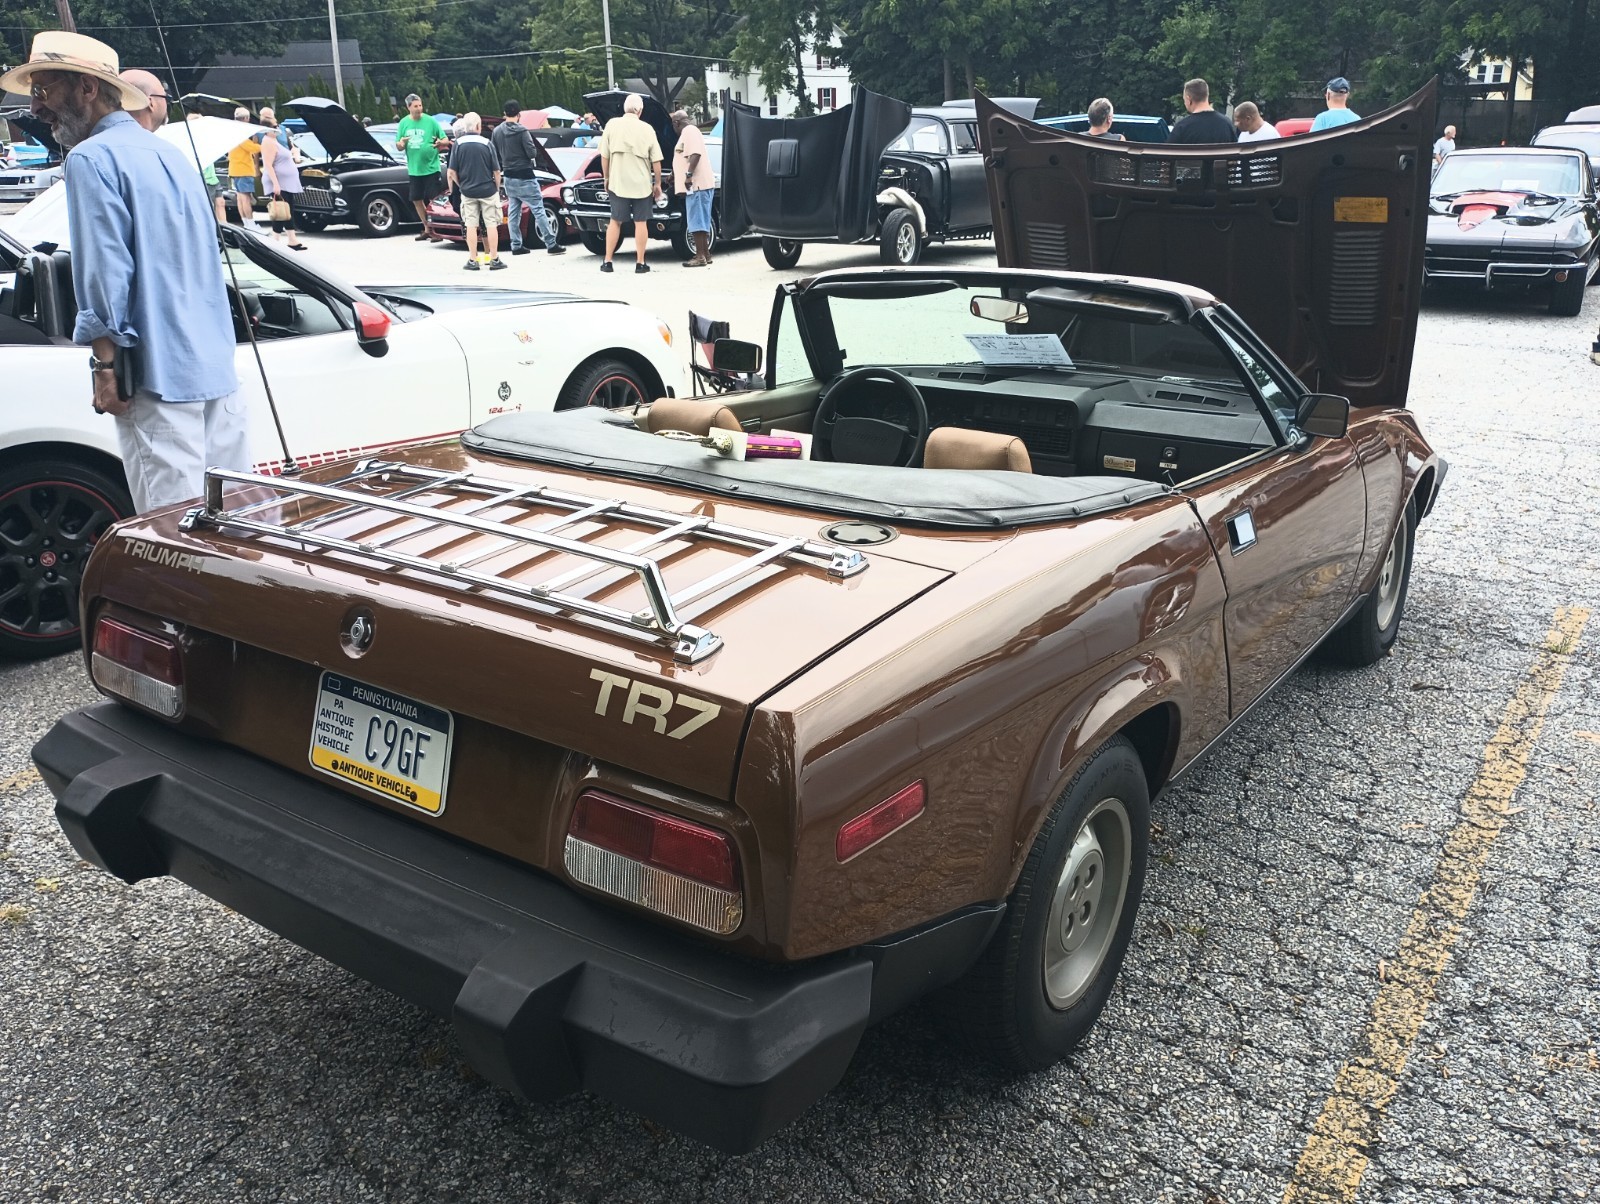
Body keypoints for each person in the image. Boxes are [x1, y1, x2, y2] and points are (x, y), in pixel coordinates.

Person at [7, 30, 245, 513]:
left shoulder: (91, 158)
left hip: (155, 376)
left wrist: (105, 367)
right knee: (228, 529)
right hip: (216, 371)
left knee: (170, 537)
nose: (36, 108)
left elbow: (104, 273)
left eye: (44, 89)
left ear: (87, 89)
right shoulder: (170, 152)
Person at [597, 94, 662, 274]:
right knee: (640, 223)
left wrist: (606, 178)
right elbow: (656, 161)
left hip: (618, 182)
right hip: (641, 184)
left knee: (615, 221)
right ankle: (640, 263)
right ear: (640, 111)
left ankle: (607, 261)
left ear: (624, 109)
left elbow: (604, 156)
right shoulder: (647, 129)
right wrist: (657, 183)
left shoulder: (611, 125)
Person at [493, 99, 564, 256]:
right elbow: (532, 153)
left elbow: (495, 152)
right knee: (538, 209)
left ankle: (516, 245)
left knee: (513, 211)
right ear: (519, 114)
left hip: (509, 176)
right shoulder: (522, 131)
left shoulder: (497, 131)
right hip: (525, 174)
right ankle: (551, 243)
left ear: (504, 114)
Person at [447, 112, 505, 270]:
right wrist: (496, 188)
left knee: (470, 225)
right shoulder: (487, 143)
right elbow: (497, 172)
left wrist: (461, 185)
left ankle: (473, 259)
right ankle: (494, 258)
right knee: (491, 224)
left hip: (468, 191)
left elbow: (451, 172)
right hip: (488, 190)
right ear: (479, 126)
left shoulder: (458, 144)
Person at [396, 93, 447, 240]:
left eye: (420, 105)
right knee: (416, 199)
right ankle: (427, 227)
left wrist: (440, 142)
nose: (419, 109)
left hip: (431, 167)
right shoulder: (403, 123)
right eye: (415, 106)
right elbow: (398, 145)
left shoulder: (430, 121)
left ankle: (437, 230)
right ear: (408, 107)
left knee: (434, 199)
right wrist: (402, 143)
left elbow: (445, 139)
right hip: (414, 169)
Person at [671, 108, 714, 267]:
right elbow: (685, 158)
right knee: (701, 220)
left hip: (696, 184)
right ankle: (706, 254)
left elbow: (695, 154)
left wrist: (688, 175)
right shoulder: (690, 132)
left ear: (676, 123)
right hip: (698, 184)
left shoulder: (689, 131)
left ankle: (700, 256)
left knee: (696, 220)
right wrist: (675, 175)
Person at [259, 127, 308, 249]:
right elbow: (268, 165)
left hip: (286, 182)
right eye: (274, 129)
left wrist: (295, 155)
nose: (277, 131)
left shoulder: (276, 142)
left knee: (286, 210)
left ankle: (291, 239)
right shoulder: (267, 142)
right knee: (281, 211)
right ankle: (275, 240)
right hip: (280, 183)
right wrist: (275, 184)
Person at [1168, 79, 1236, 144]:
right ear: (1207, 96)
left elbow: (1168, 153)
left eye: (1184, 99)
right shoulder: (1227, 124)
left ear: (1189, 99)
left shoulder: (1182, 127)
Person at [227, 105, 261, 224]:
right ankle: (251, 223)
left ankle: (245, 222)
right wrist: (259, 144)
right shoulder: (240, 134)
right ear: (246, 118)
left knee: (240, 198)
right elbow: (252, 148)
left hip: (235, 170)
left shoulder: (230, 133)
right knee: (246, 198)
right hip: (244, 170)